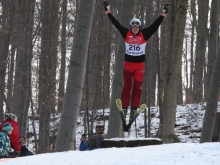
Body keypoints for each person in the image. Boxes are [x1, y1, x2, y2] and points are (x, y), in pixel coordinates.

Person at [104, 2, 168, 119]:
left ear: (140, 27)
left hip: (139, 66)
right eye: (133, 27)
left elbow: (155, 26)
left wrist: (163, 15)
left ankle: (134, 109)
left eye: (136, 27)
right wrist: (108, 13)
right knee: (126, 86)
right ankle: (124, 108)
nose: (134, 29)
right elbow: (116, 24)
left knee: (137, 88)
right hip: (128, 66)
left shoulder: (144, 34)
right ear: (130, 27)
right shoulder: (126, 33)